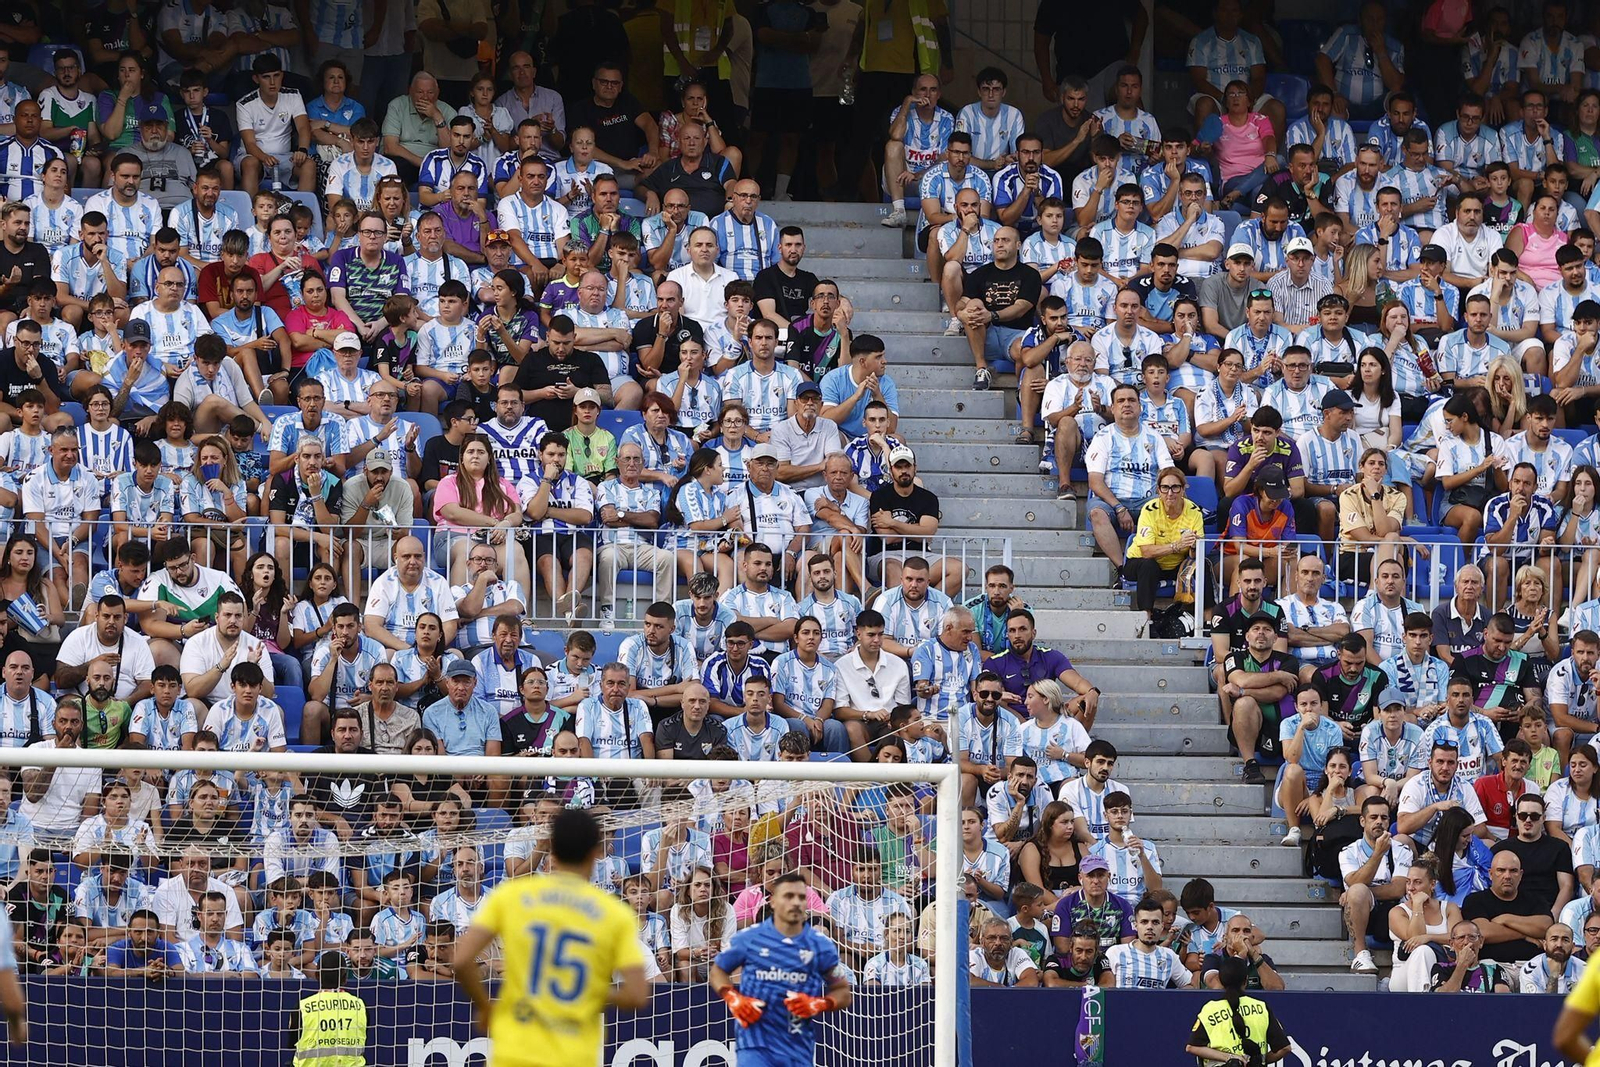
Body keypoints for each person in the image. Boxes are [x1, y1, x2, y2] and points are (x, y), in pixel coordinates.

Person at [454, 809, 649, 1059]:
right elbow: (637, 994)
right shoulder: (614, 912)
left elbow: (461, 960)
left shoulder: (511, 895)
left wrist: (485, 1007)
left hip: (516, 1051)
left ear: (550, 847)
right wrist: (586, 991)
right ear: (595, 853)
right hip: (574, 1054)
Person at [291, 952, 368, 1066]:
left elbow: (292, 1042)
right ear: (345, 977)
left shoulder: (303, 1006)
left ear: (317, 975)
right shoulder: (360, 1005)